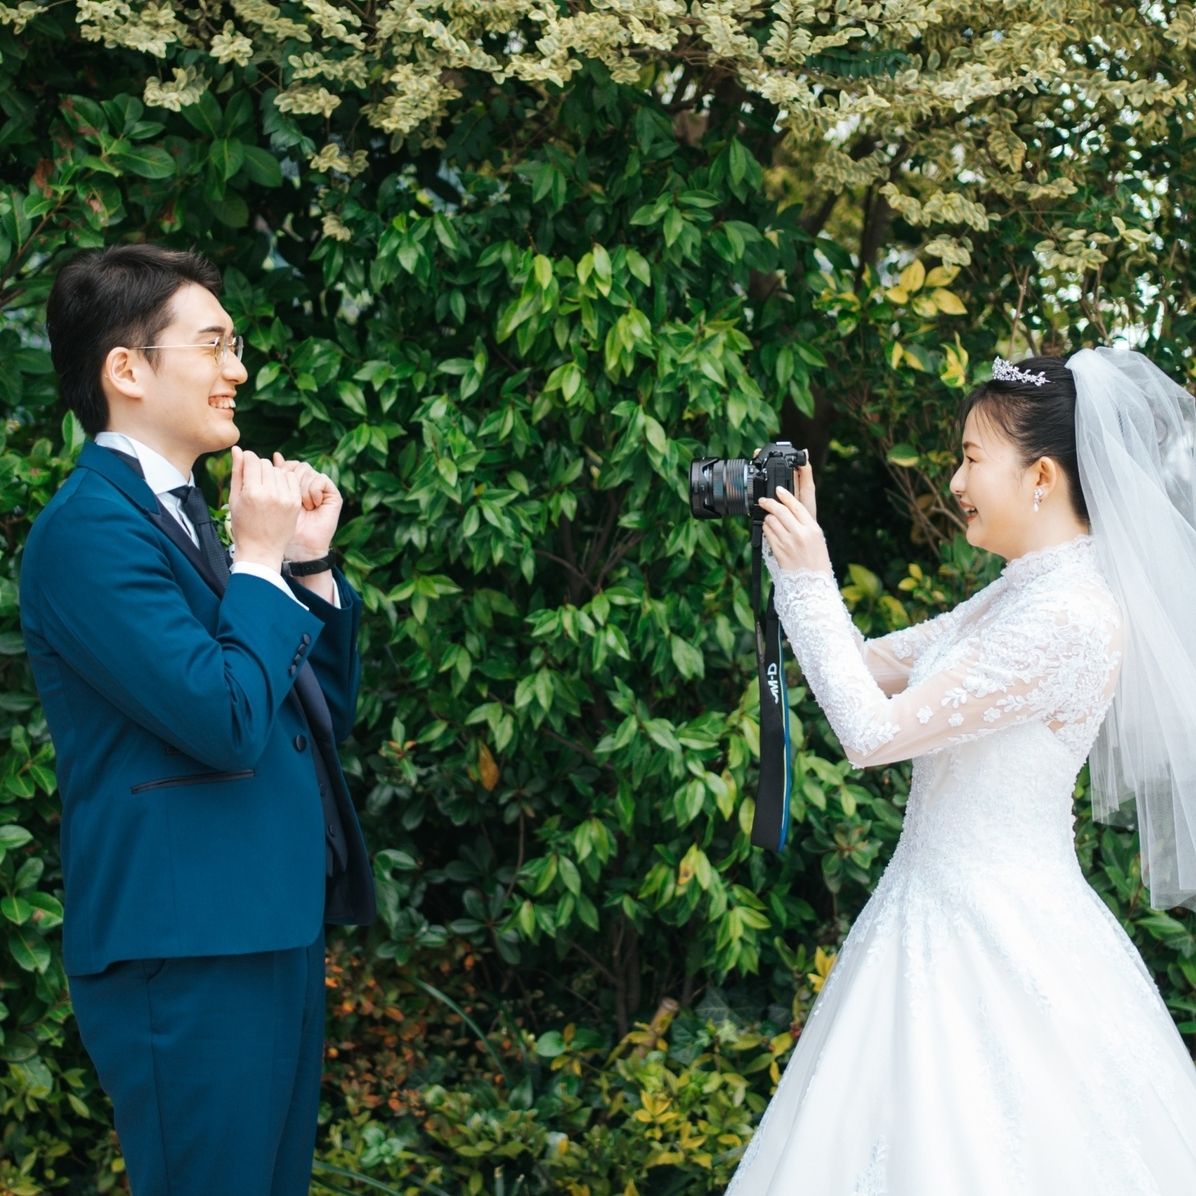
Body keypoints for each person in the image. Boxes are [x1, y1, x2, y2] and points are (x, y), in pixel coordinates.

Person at [725, 350, 1196, 1193]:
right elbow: (867, 666)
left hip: (996, 934)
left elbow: (872, 734)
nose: (954, 481)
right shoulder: (1023, 592)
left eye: (972, 458)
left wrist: (809, 577)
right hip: (925, 909)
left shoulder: (1070, 615)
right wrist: (796, 566)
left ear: (1041, 476)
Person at [20, 244, 376, 1196]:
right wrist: (255, 562)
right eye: (213, 345)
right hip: (185, 948)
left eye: (235, 346)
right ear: (126, 370)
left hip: (266, 927)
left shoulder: (182, 516)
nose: (238, 371)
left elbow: (307, 716)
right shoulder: (89, 531)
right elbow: (221, 720)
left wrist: (303, 565)